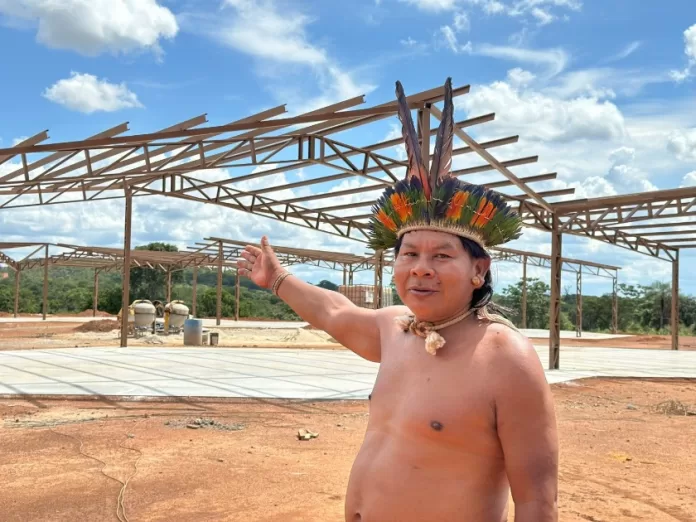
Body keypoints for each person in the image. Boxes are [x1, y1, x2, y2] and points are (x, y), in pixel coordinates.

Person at [237, 78, 559, 522]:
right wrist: (277, 280)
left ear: (478, 270)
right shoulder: (395, 328)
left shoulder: (505, 358)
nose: (420, 268)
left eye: (442, 255)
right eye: (409, 253)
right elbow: (335, 311)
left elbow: (537, 501)